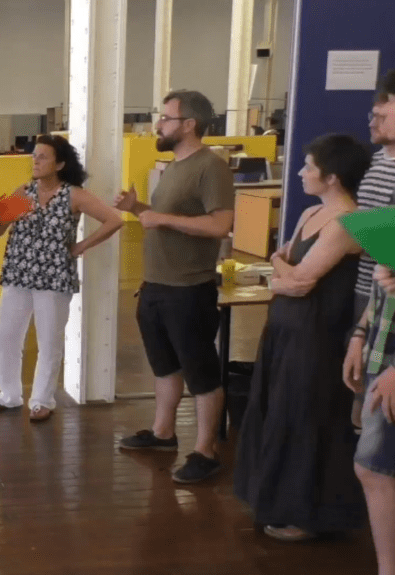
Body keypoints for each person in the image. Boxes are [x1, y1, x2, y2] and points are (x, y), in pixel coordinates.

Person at [234, 134, 371, 542]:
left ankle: (306, 513)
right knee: (276, 411)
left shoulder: (348, 222)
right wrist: (283, 273)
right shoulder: (312, 212)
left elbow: (299, 280)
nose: (300, 173)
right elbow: (284, 264)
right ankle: (273, 500)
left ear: (332, 177)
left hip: (316, 333)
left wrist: (279, 273)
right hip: (284, 326)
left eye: (309, 167)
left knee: (306, 418)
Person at [115, 90, 235, 484]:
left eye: (166, 118)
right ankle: (163, 433)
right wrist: (137, 209)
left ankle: (206, 451)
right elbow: (163, 219)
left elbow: (220, 226)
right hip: (156, 286)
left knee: (201, 373)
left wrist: (161, 219)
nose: (159, 125)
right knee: (165, 366)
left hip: (189, 289)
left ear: (189, 124)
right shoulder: (173, 167)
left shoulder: (211, 168)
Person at [0, 135, 122, 421]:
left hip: (54, 277)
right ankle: (8, 394)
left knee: (49, 341)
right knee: (7, 337)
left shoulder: (74, 195)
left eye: (43, 157)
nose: (35, 161)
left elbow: (114, 219)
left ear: (59, 164)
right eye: (35, 156)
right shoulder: (24, 193)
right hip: (18, 273)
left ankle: (42, 400)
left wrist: (81, 246)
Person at [347, 71, 395, 575]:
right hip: (379, 321)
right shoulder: (380, 164)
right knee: (373, 461)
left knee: (373, 465)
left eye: (385, 108)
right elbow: (385, 266)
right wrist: (361, 333)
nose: (373, 116)